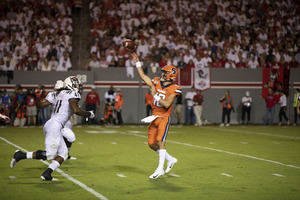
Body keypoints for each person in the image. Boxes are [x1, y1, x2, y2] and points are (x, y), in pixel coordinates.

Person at [10, 76, 95, 181]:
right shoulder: (72, 94)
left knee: (63, 153)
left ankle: (47, 174)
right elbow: (75, 109)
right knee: (49, 154)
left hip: (54, 124)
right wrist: (88, 114)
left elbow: (41, 105)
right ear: (69, 85)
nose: (79, 88)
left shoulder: (59, 94)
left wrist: (37, 97)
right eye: (77, 85)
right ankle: (20, 155)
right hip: (55, 125)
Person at [131, 52, 182, 179]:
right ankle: (170, 159)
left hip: (164, 117)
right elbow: (143, 76)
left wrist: (154, 95)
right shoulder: (157, 81)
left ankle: (160, 169)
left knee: (160, 142)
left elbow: (166, 104)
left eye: (165, 72)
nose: (162, 74)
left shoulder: (175, 88)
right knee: (151, 144)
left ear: (170, 76)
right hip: (154, 117)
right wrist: (137, 62)